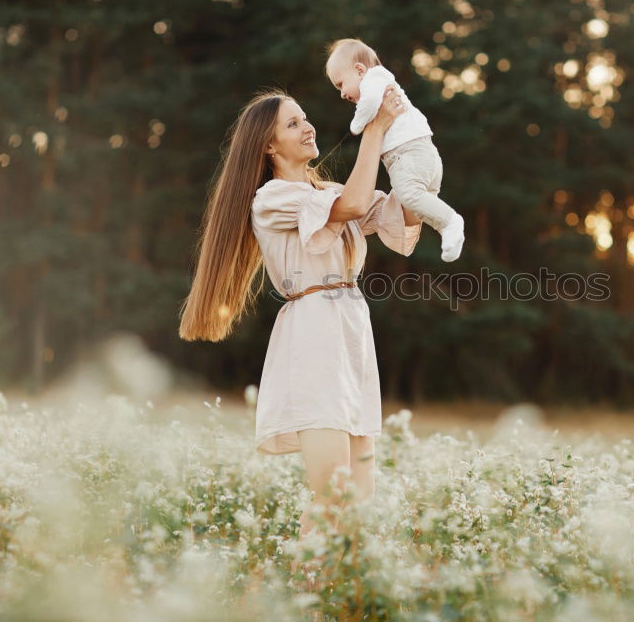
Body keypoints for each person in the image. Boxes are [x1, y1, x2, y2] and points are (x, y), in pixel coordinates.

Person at [178, 84, 414, 594]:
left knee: (363, 488)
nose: (308, 127)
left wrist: (412, 151)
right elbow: (354, 205)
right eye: (293, 124)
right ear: (268, 146)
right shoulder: (274, 199)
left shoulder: (326, 192)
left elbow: (400, 214)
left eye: (305, 118)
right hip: (313, 334)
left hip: (352, 328)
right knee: (334, 490)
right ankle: (307, 597)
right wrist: (372, 131)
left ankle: (338, 594)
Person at [325, 37, 465, 262]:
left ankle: (450, 221)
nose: (342, 94)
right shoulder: (379, 80)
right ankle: (448, 231)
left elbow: (369, 102)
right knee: (420, 207)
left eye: (341, 84)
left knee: (410, 196)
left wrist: (357, 124)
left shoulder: (374, 79)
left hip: (409, 154)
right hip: (423, 156)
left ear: (360, 70)